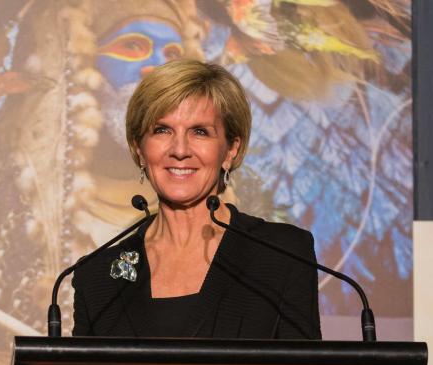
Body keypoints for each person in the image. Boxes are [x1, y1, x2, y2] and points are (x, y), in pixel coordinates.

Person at [71, 59, 322, 339]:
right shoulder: (96, 277)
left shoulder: (282, 255)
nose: (179, 150)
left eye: (200, 132)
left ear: (230, 151)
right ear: (138, 149)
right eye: (162, 130)